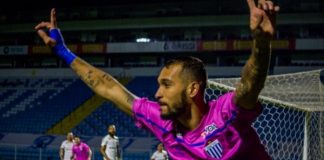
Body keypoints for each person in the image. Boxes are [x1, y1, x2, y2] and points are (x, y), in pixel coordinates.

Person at [35, 0, 279, 159]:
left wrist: (261, 42)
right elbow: (106, 86)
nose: (157, 94)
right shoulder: (162, 121)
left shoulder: (225, 113)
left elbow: (250, 84)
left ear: (193, 89)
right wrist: (62, 52)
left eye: (167, 85)